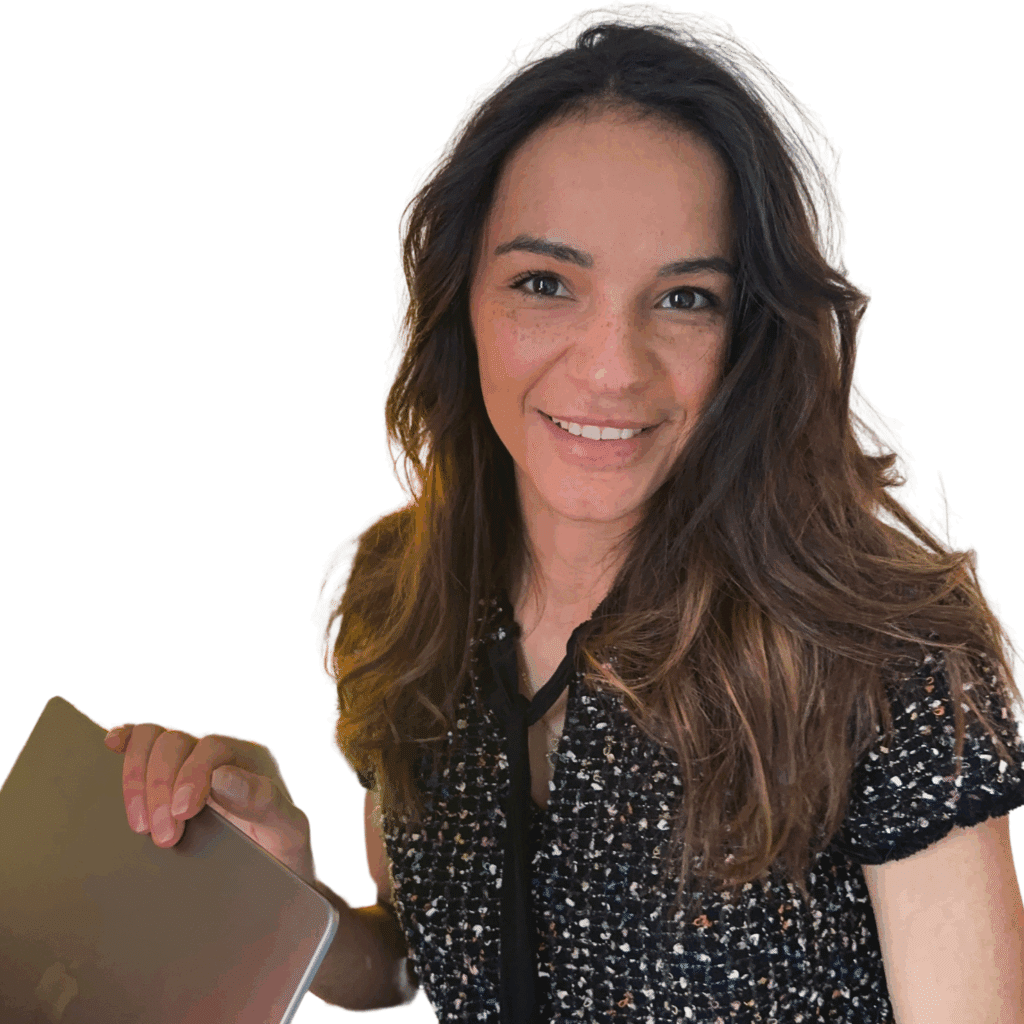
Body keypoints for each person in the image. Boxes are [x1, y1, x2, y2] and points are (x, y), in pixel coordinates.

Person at [104, 13, 1024, 1023]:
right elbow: (414, 956)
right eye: (544, 284)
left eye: (685, 299)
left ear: (751, 332)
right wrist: (273, 889)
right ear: (460, 300)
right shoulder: (401, 591)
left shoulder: (883, 646)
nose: (611, 367)